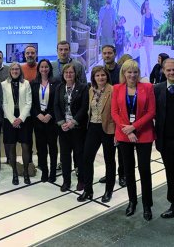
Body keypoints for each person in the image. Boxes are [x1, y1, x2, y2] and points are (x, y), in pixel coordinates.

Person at [111, 59, 155, 221]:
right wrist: (127, 130)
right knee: (128, 170)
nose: (132, 75)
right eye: (129, 72)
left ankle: (147, 204)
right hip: (124, 134)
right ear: (124, 73)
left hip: (144, 133)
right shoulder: (117, 88)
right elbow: (114, 112)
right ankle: (132, 201)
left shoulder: (148, 87)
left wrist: (134, 127)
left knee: (144, 170)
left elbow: (151, 112)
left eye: (135, 72)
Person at [77, 66, 116, 203]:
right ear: (93, 77)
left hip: (108, 128)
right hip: (93, 127)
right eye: (97, 75)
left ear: (107, 76)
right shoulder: (91, 90)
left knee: (109, 160)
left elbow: (117, 111)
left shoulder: (113, 90)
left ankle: (109, 191)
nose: (101, 78)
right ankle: (88, 190)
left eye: (103, 75)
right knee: (87, 158)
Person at [54, 63, 88, 192]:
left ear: (75, 74)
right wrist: (61, 122)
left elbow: (84, 107)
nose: (69, 75)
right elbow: (56, 106)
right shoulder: (59, 88)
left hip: (77, 128)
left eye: (71, 72)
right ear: (63, 75)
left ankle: (81, 180)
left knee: (79, 155)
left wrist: (73, 122)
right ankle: (66, 181)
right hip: (63, 129)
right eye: (66, 72)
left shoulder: (83, 87)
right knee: (65, 156)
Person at [154, 58, 174, 218]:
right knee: (171, 173)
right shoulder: (157, 89)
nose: (172, 72)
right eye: (168, 70)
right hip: (165, 141)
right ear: (163, 71)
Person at [99, 45, 126, 188]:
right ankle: (110, 174)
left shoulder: (121, 70)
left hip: (120, 115)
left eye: (110, 53)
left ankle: (123, 175)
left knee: (121, 150)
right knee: (108, 150)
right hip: (106, 116)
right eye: (105, 53)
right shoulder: (100, 71)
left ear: (114, 54)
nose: (107, 55)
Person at [1, 62, 32, 185]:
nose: (15, 71)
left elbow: (29, 102)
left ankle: (25, 172)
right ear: (10, 71)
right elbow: (3, 103)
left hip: (24, 119)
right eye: (12, 69)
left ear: (20, 71)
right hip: (9, 119)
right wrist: (12, 119)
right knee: (11, 147)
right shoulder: (3, 84)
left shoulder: (26, 83)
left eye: (17, 69)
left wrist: (20, 118)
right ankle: (14, 173)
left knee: (25, 146)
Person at [30, 59, 58, 183]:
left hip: (51, 121)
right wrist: (37, 114)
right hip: (38, 120)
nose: (44, 69)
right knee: (41, 148)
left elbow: (57, 102)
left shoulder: (56, 83)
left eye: (46, 67)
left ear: (50, 69)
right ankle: (44, 171)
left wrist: (50, 114)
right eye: (42, 67)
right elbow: (30, 102)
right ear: (38, 69)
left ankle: (52, 172)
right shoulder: (33, 83)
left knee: (52, 147)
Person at [141, 0, 155, 77]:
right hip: (145, 38)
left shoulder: (152, 15)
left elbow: (153, 25)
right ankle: (150, 74)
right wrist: (142, 38)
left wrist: (155, 30)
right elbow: (141, 28)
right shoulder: (143, 16)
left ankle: (146, 71)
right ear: (145, 6)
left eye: (148, 4)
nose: (147, 5)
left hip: (151, 37)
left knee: (149, 55)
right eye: (146, 4)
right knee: (148, 56)